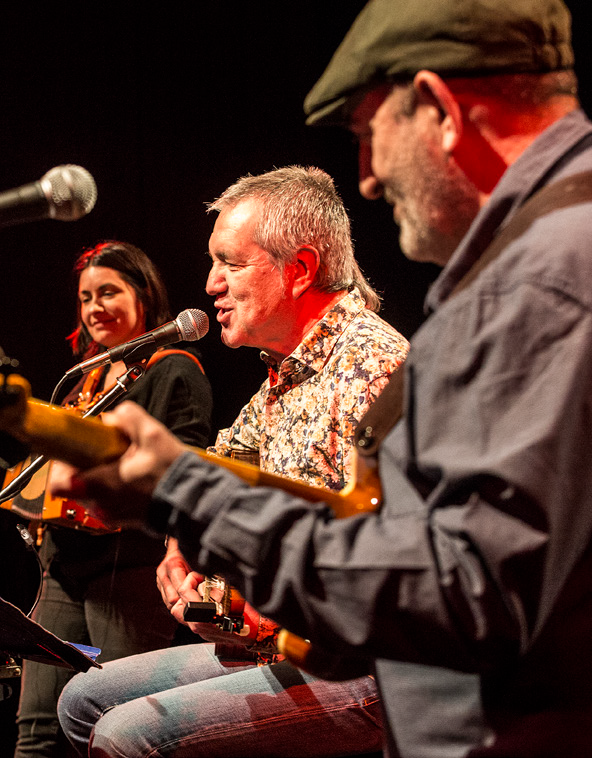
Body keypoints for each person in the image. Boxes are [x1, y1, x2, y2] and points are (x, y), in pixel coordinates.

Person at [51, 1, 592, 755]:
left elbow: (456, 594)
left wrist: (179, 494)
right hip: (514, 693)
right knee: (86, 702)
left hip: (518, 721)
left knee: (130, 735)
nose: (365, 177)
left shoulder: (545, 279)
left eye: (369, 135)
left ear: (438, 107)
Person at [56, 167, 408, 757]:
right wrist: (179, 548)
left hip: (372, 669)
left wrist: (271, 602)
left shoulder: (374, 369)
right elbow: (215, 466)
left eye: (231, 263)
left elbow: (395, 569)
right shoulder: (284, 378)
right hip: (286, 650)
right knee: (80, 700)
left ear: (299, 270)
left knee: (125, 735)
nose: (211, 283)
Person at [13, 241, 215, 758]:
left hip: (129, 569)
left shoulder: (175, 368)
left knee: (117, 723)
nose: (94, 307)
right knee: (36, 729)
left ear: (143, 295)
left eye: (109, 292)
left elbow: (186, 465)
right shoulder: (82, 380)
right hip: (64, 567)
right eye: (85, 297)